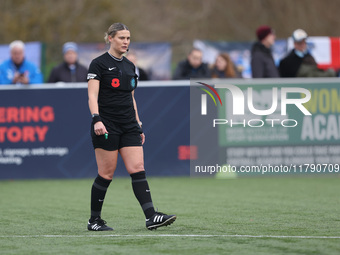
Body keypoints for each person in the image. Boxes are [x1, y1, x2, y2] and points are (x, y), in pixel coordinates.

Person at [87, 22, 176, 231]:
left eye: (128, 38)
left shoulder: (130, 66)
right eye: (121, 38)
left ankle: (151, 216)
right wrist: (96, 119)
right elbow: (92, 95)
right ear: (110, 38)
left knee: (138, 169)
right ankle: (94, 221)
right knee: (106, 174)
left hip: (129, 125)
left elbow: (131, 98)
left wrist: (138, 123)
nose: (126, 41)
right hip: (106, 125)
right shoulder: (98, 64)